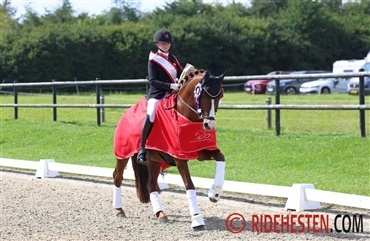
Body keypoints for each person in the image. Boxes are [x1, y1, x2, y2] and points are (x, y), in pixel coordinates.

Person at [137, 29, 184, 165]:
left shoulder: (173, 58)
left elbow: (181, 73)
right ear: (157, 44)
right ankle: (142, 149)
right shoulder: (153, 59)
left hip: (172, 93)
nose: (166, 45)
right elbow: (152, 81)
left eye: (168, 43)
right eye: (163, 43)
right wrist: (170, 86)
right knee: (151, 114)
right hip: (157, 94)